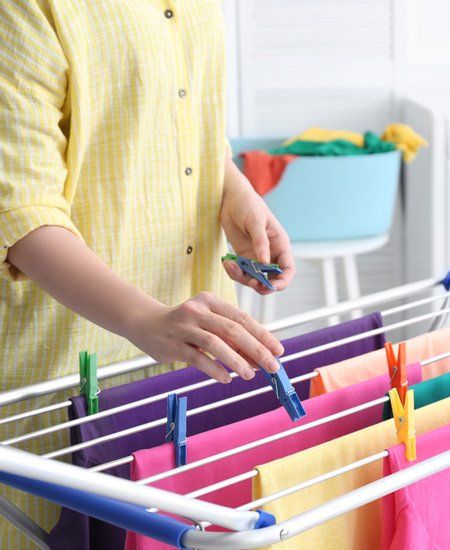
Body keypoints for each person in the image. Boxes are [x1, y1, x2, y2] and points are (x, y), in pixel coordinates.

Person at [0, 2, 294, 545]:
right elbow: (20, 214)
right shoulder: (26, 9)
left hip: (186, 374)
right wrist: (146, 319)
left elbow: (188, 123)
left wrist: (233, 190)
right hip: (64, 378)